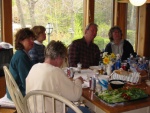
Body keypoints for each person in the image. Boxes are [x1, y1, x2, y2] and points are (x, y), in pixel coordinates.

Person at [26, 40, 91, 113]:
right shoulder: (55, 71)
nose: (63, 62)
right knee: (85, 110)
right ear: (59, 57)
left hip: (33, 110)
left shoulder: (34, 67)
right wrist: (78, 81)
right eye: (64, 59)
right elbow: (75, 96)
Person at [7, 28, 35, 100]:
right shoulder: (21, 56)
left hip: (17, 91)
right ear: (20, 40)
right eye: (29, 39)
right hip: (18, 93)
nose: (32, 41)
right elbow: (26, 80)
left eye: (33, 39)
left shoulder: (22, 54)